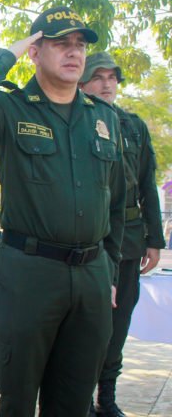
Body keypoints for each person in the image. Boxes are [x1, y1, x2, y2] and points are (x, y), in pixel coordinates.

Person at [0, 6, 126, 417]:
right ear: (35, 51)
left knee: (76, 399)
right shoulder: (11, 109)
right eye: (61, 43)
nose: (74, 53)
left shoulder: (104, 119)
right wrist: (7, 54)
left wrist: (110, 273)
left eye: (79, 45)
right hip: (30, 273)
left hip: (91, 276)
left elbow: (116, 201)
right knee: (18, 397)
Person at [79, 52, 165, 416]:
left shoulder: (133, 126)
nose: (107, 83)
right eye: (98, 77)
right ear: (82, 82)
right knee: (83, 326)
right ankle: (77, 398)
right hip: (88, 239)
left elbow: (148, 182)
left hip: (129, 239)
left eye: (112, 77)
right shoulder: (73, 121)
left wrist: (155, 239)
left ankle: (106, 399)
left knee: (118, 323)